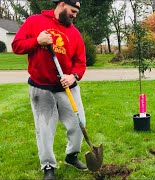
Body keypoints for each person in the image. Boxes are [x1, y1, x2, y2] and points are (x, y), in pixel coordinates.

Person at [11, 0, 87, 179]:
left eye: (77, 12)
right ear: (61, 4)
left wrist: (73, 76)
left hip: (67, 88)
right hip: (41, 88)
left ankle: (71, 155)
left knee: (79, 123)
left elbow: (80, 62)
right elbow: (17, 46)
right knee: (44, 129)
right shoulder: (35, 21)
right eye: (72, 11)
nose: (75, 15)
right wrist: (37, 41)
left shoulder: (75, 33)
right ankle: (48, 166)